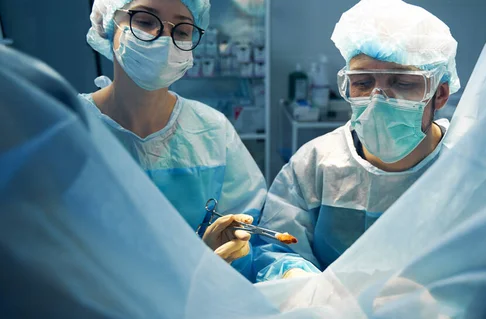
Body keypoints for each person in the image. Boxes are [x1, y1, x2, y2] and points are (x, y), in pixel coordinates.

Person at [252, 0, 460, 282]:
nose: (378, 99)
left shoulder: (467, 167)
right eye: (363, 82)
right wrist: (304, 289)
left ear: (440, 94)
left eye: (402, 82)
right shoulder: (315, 164)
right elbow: (276, 253)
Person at [81, 0, 267, 274]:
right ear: (107, 24)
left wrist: (212, 259)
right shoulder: (68, 128)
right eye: (145, 21)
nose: (164, 40)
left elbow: (254, 242)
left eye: (181, 30)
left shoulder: (212, 131)